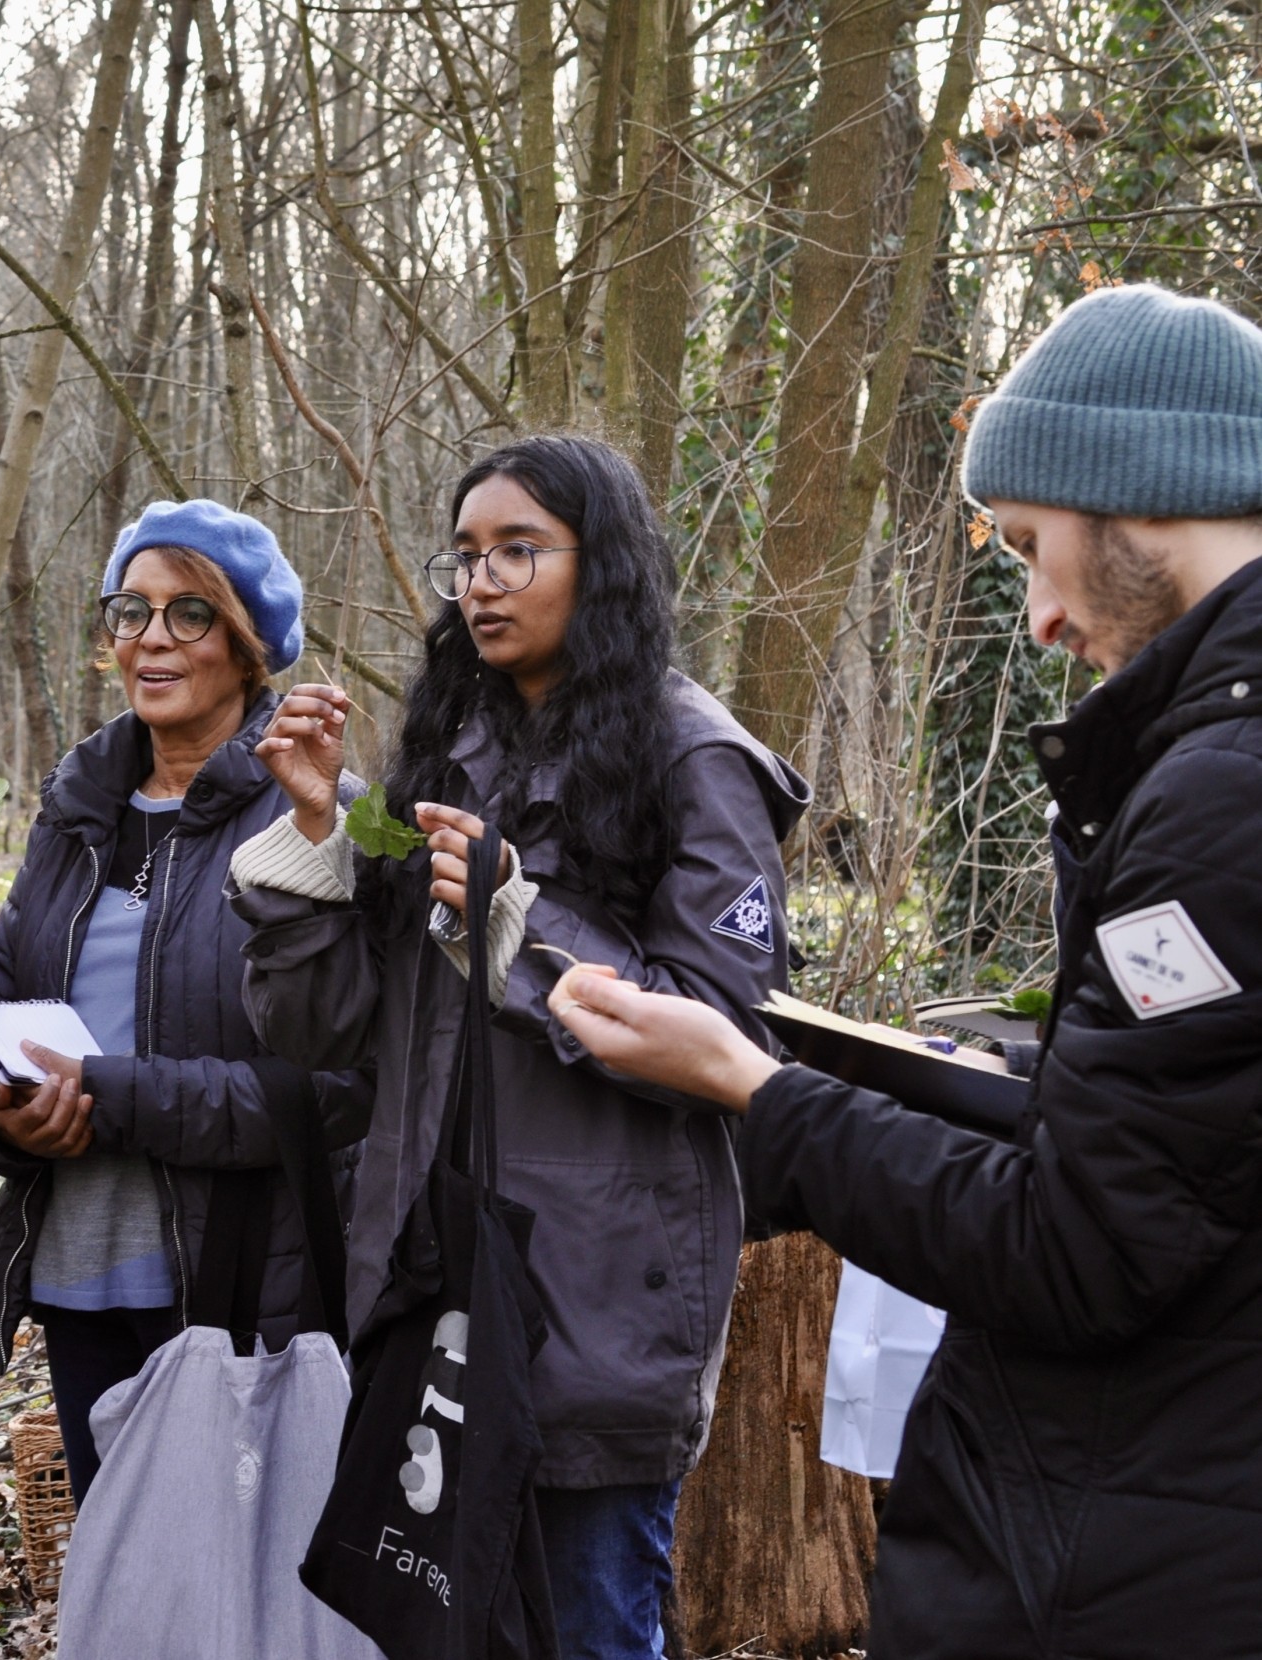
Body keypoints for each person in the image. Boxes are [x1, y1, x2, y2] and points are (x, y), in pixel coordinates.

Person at [547, 286, 1262, 1658]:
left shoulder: (1222, 798)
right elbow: (1185, 1149)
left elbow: (1081, 1252)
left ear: (1139, 501)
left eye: (1033, 545)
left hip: (1139, 1560)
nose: (1041, 613)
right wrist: (961, 1083)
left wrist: (760, 1091)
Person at [232, 434, 809, 1660]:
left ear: (597, 570)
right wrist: (312, 838)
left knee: (590, 1634)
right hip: (432, 1286)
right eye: (467, 557)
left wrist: (521, 925)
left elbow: (724, 1033)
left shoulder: (694, 756)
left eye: (518, 551)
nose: (481, 582)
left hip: (601, 1303)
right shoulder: (453, 749)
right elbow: (330, 1031)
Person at [0, 499, 363, 1502]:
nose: (151, 641)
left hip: (247, 1286)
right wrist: (0, 1111)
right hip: (81, 1275)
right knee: (128, 1592)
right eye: (130, 612)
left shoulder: (324, 810)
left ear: (249, 643)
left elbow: (339, 1086)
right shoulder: (76, 807)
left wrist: (115, 1096)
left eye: (189, 614)